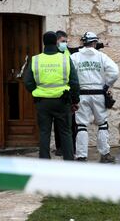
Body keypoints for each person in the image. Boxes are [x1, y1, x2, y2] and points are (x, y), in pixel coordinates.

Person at [24, 31, 80, 160]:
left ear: (44, 43)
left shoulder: (36, 59)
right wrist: (75, 100)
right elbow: (74, 82)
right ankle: (69, 161)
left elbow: (27, 82)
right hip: (63, 101)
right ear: (56, 42)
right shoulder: (65, 59)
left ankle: (44, 161)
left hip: (43, 102)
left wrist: (36, 92)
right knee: (66, 132)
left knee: (44, 133)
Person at [70, 31, 119, 163]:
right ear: (95, 43)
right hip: (98, 94)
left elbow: (69, 76)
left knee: (81, 125)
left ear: (83, 43)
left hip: (82, 94)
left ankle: (81, 156)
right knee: (102, 124)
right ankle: (105, 154)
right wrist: (107, 85)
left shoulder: (75, 57)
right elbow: (115, 72)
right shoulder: (102, 56)